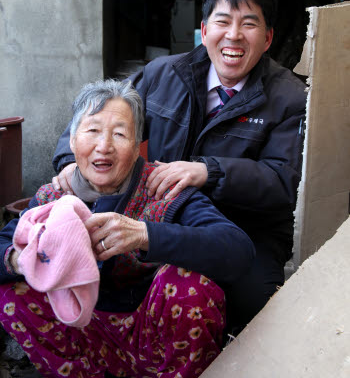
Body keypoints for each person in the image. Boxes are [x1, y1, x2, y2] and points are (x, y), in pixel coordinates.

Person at [52, 0, 307, 335]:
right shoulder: (163, 74)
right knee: (103, 280)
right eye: (223, 21)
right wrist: (68, 163)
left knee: (250, 304)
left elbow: (282, 183)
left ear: (267, 39)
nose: (233, 35)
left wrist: (209, 171)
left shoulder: (290, 98)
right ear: (204, 31)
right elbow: (99, 114)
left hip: (249, 228)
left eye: (249, 24)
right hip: (163, 211)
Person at [0, 79, 255, 378]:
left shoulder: (163, 190)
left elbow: (238, 250)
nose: (103, 146)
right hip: (80, 335)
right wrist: (30, 257)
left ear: (136, 148)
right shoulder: (54, 198)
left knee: (191, 286)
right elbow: (6, 246)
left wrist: (146, 235)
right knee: (12, 286)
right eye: (92, 131)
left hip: (151, 337)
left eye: (119, 134)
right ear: (72, 141)